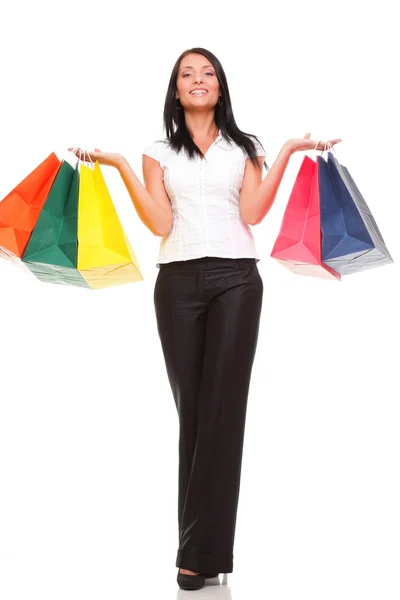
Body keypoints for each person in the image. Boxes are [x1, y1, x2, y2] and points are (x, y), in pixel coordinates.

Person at [69, 46, 342, 591]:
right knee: (194, 418)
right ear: (176, 90)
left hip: (237, 281)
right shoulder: (155, 153)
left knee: (222, 414)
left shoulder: (246, 147)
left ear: (220, 86)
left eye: (208, 73)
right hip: (178, 286)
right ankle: (205, 554)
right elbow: (160, 223)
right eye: (188, 74)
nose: (199, 80)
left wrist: (288, 149)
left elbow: (252, 214)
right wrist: (122, 166)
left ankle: (193, 557)